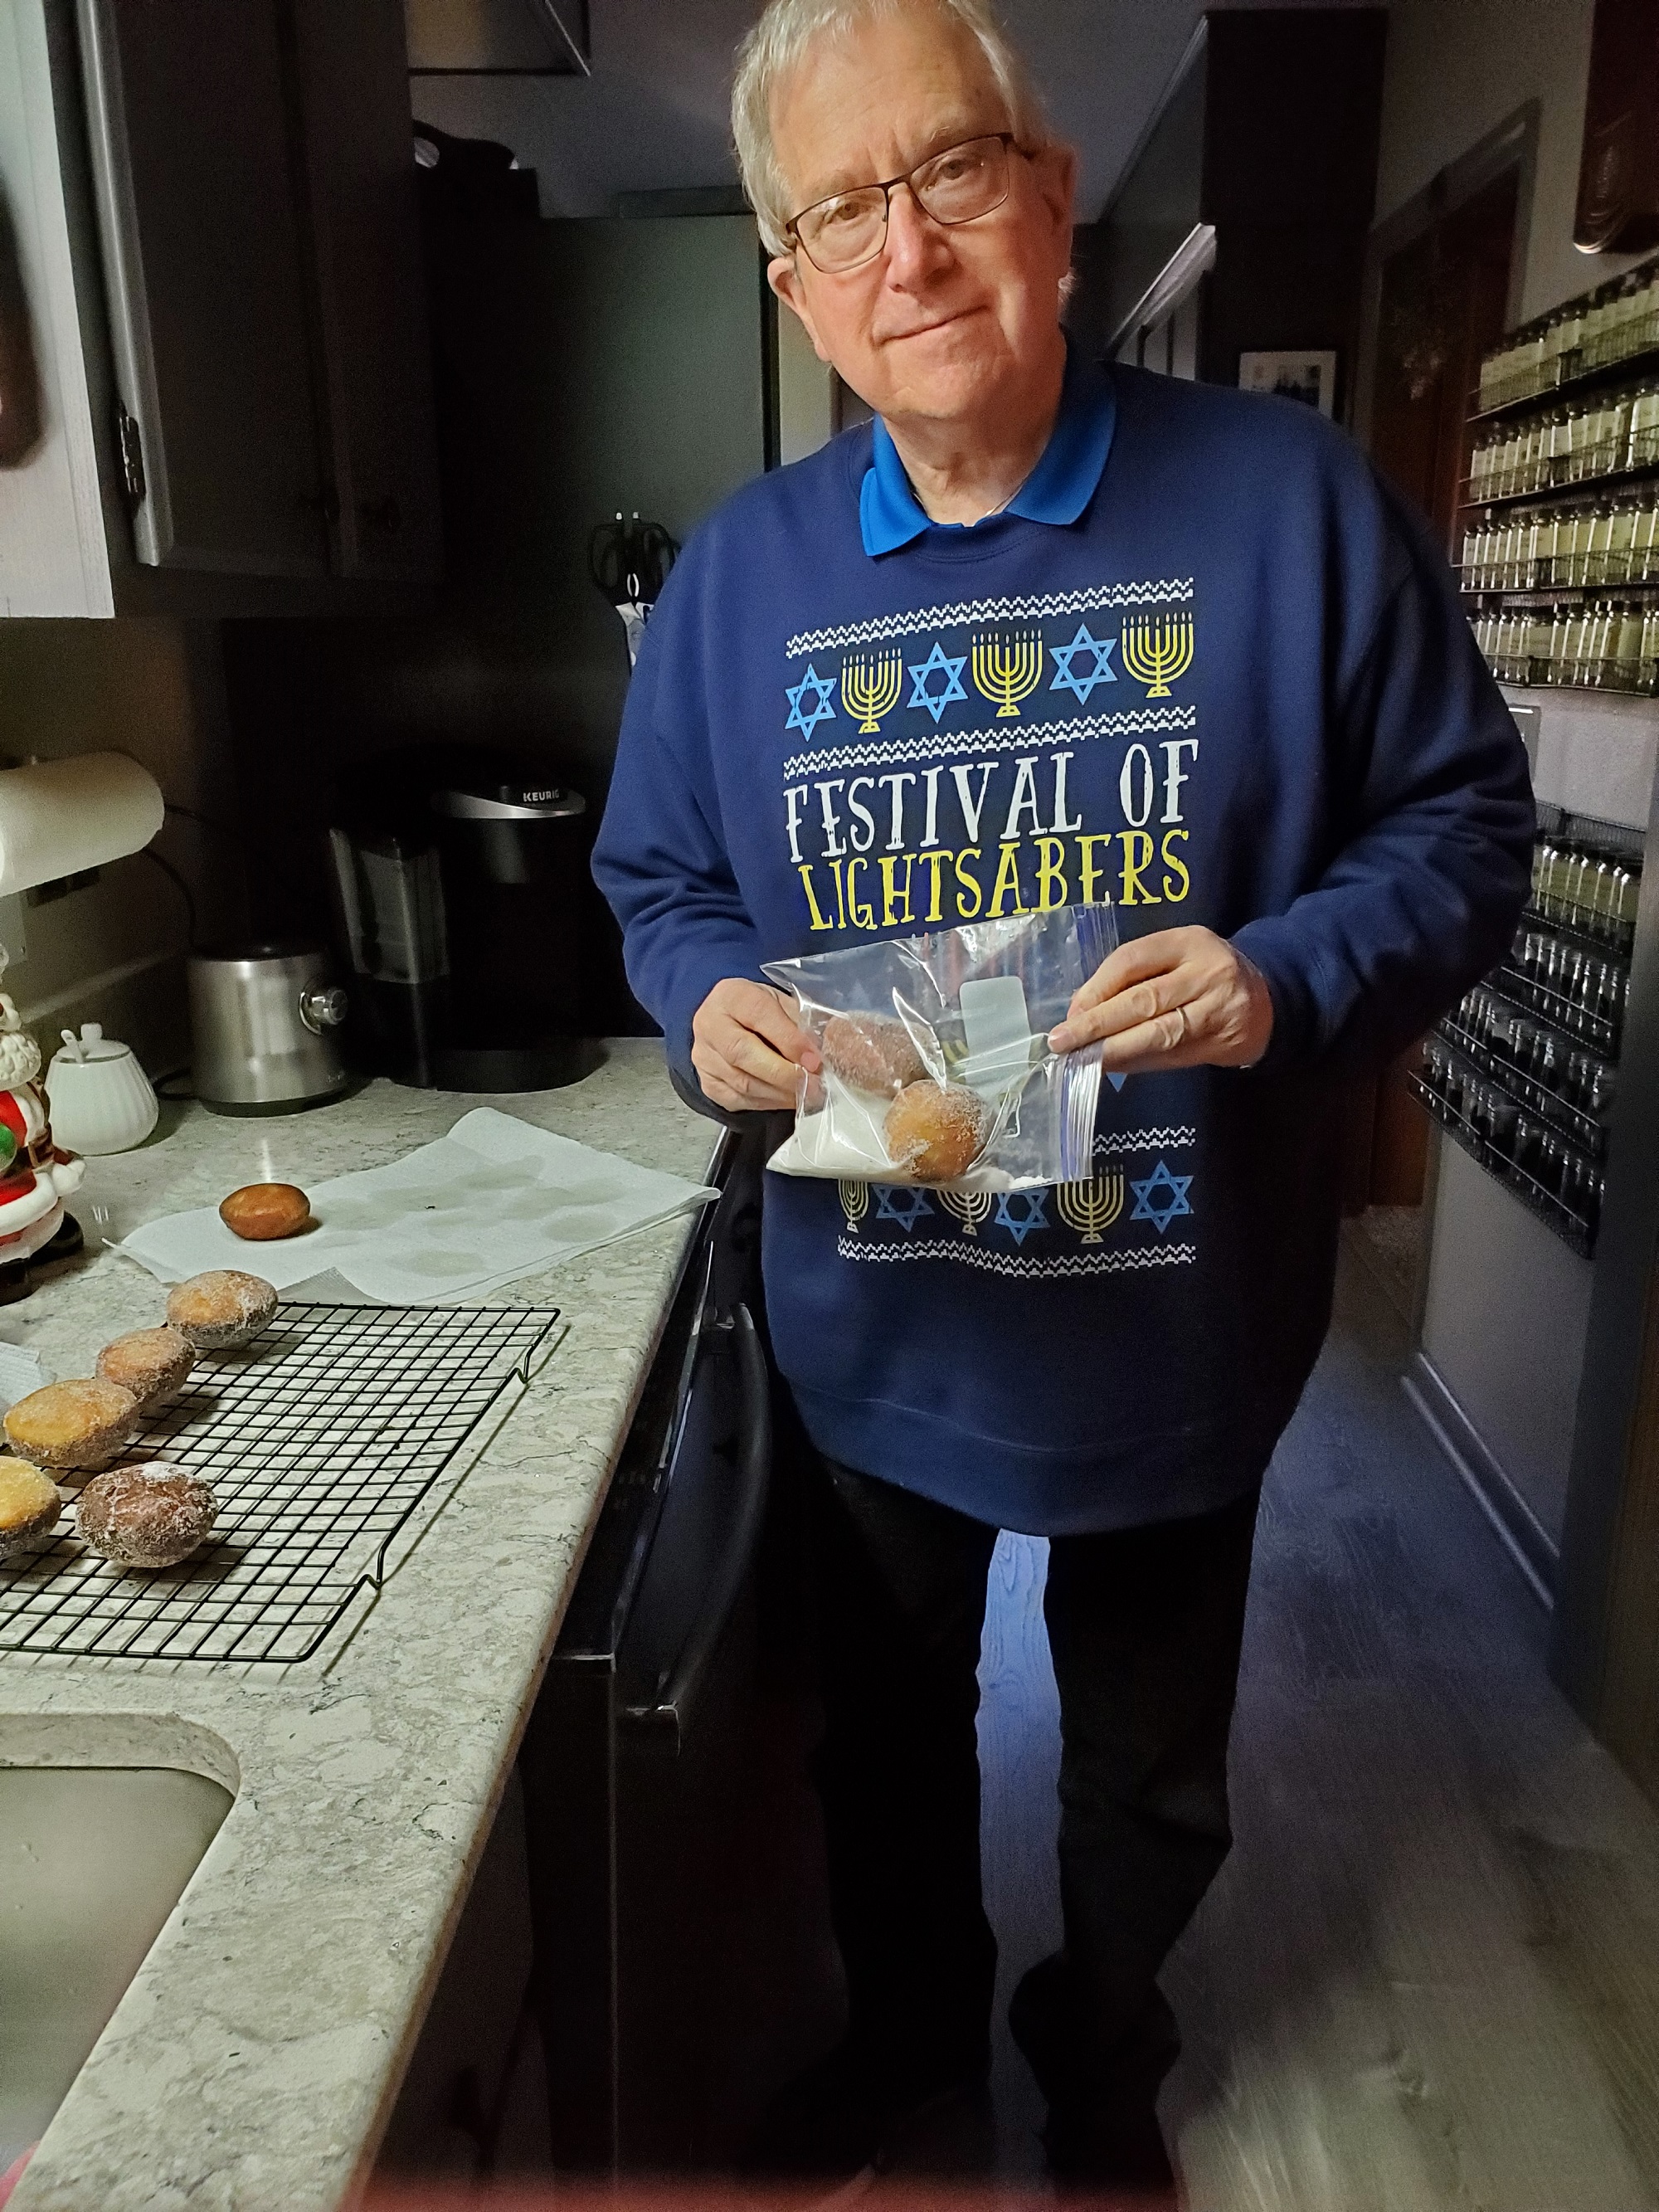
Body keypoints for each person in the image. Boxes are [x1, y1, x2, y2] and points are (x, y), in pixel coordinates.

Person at [592, 0, 1535, 2196]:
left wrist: (1283, 975)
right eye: (841, 210)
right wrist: (706, 995)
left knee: (1145, 1775)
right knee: (881, 1745)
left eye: (948, 172)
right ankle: (915, 2042)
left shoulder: (1292, 508)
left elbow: (1466, 829)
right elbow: (659, 879)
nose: (907, 251)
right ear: (792, 280)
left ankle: (1102, 2059)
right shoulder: (739, 583)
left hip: (1172, 1330)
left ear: (1049, 190)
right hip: (874, 1323)